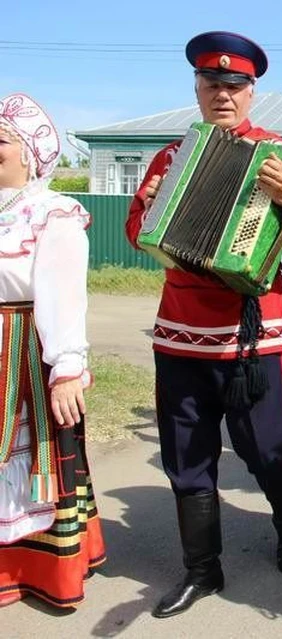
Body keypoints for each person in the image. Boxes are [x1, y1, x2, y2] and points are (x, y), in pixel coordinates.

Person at [125, 31, 282, 618]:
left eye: (234, 85)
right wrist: (150, 205)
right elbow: (138, 235)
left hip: (252, 335)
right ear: (196, 88)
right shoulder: (169, 156)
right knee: (186, 455)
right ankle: (202, 570)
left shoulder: (280, 153)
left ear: (251, 92)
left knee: (270, 450)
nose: (223, 93)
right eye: (212, 83)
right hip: (181, 333)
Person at [0, 93, 104, 609]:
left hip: (22, 350)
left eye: (0, 140)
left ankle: (36, 567)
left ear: (28, 154)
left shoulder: (51, 213)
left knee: (31, 451)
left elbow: (63, 295)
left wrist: (66, 368)